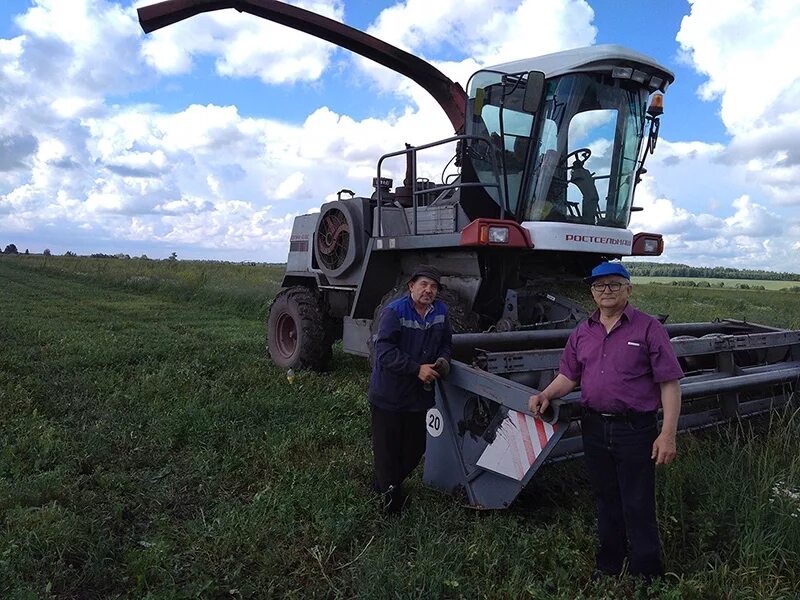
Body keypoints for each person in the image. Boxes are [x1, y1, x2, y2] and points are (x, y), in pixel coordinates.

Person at [529, 261, 683, 580]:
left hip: (635, 429)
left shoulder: (648, 328)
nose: (606, 291)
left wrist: (667, 433)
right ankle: (609, 566)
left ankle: (645, 573)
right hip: (595, 427)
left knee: (637, 501)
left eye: (614, 284)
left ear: (629, 288)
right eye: (599, 286)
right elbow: (568, 376)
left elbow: (669, 383)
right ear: (592, 293)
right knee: (605, 498)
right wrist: (546, 394)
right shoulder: (583, 331)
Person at [369, 265, 453, 515]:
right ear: (411, 286)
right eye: (424, 284)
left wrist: (443, 360)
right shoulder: (394, 312)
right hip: (389, 395)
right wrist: (416, 369)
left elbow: (447, 343)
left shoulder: (441, 312)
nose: (429, 290)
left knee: (415, 449)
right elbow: (383, 352)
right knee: (387, 452)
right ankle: (391, 510)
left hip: (418, 396)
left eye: (434, 286)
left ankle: (384, 485)